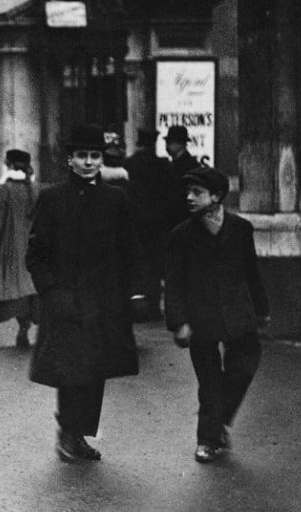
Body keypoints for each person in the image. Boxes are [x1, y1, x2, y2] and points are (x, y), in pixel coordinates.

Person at [26, 124, 146, 463]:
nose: (89, 162)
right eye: (82, 156)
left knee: (96, 370)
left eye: (95, 156)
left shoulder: (115, 199)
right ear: (70, 160)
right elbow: (35, 255)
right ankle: (67, 431)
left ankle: (80, 435)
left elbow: (130, 249)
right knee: (70, 369)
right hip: (64, 300)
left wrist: (135, 293)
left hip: (105, 303)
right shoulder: (52, 199)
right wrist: (51, 293)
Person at [165, 167, 269, 463]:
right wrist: (179, 322)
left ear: (217, 196)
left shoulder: (240, 229)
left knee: (243, 368)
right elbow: (173, 283)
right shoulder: (181, 236)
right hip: (201, 321)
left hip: (239, 316)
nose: (189, 198)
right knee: (209, 382)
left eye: (197, 192)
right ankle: (208, 440)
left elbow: (252, 273)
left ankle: (219, 421)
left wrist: (262, 310)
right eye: (188, 192)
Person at [0, 149, 39, 348]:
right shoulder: (36, 189)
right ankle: (27, 325)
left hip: (11, 248)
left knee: (14, 289)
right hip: (34, 247)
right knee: (30, 287)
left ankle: (23, 326)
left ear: (9, 165)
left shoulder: (3, 190)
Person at [124, 128, 173, 320]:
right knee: (155, 264)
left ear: (138, 142)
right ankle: (152, 307)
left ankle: (136, 306)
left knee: (137, 263)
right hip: (158, 224)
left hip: (135, 222)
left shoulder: (128, 164)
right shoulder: (162, 165)